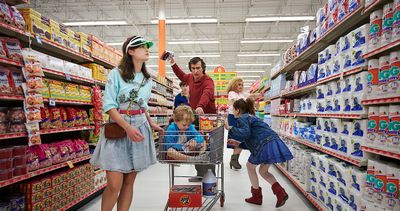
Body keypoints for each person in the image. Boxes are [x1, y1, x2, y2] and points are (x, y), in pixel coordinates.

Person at [90, 36, 164, 211]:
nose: (147, 50)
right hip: (119, 128)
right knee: (114, 184)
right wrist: (127, 127)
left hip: (140, 127)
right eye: (142, 47)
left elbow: (142, 105)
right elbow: (108, 105)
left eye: (148, 47)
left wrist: (151, 123)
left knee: (129, 182)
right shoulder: (116, 74)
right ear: (130, 51)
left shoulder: (147, 79)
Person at [225, 98, 293, 208]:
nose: (232, 112)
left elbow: (246, 133)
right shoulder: (251, 117)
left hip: (264, 144)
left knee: (250, 166)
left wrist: (230, 128)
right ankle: (280, 193)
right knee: (263, 171)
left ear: (237, 110)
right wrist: (238, 143)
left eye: (233, 109)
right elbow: (252, 138)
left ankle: (256, 196)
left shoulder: (242, 118)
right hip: (271, 142)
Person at [169, 55, 216, 182]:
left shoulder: (208, 81)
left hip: (209, 118)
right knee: (196, 143)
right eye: (193, 68)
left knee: (209, 146)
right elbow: (181, 75)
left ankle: (209, 175)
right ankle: (200, 173)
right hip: (195, 116)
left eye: (198, 68)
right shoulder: (190, 77)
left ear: (203, 68)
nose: (195, 71)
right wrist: (173, 63)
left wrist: (200, 106)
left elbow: (207, 93)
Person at [226, 77, 260, 170]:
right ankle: (234, 160)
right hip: (234, 117)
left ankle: (234, 159)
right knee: (237, 137)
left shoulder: (242, 93)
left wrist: (256, 95)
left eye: (242, 84)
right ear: (234, 85)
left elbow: (250, 96)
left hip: (242, 117)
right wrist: (248, 99)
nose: (240, 86)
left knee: (241, 138)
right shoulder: (232, 93)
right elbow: (237, 102)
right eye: (238, 84)